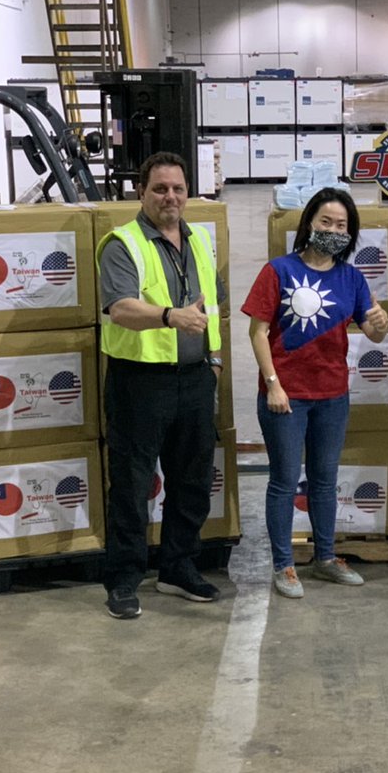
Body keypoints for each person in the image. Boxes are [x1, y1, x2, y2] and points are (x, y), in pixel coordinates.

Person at [243, 187, 388, 599]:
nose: (333, 230)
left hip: (332, 395)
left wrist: (382, 321)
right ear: (309, 223)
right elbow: (257, 332)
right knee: (285, 481)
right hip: (285, 396)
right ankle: (284, 565)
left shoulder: (351, 277)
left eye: (342, 225)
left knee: (325, 481)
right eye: (326, 222)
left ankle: (325, 558)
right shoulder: (279, 271)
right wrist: (273, 384)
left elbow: (376, 333)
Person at [96, 151, 226, 620]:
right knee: (132, 485)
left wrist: (212, 362)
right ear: (141, 193)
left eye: (177, 188)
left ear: (187, 192)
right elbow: (120, 308)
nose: (169, 197)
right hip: (140, 382)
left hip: (194, 381)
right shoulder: (123, 244)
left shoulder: (199, 242)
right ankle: (124, 578)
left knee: (192, 482)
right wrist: (170, 317)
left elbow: (213, 307)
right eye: (159, 188)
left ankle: (177, 567)